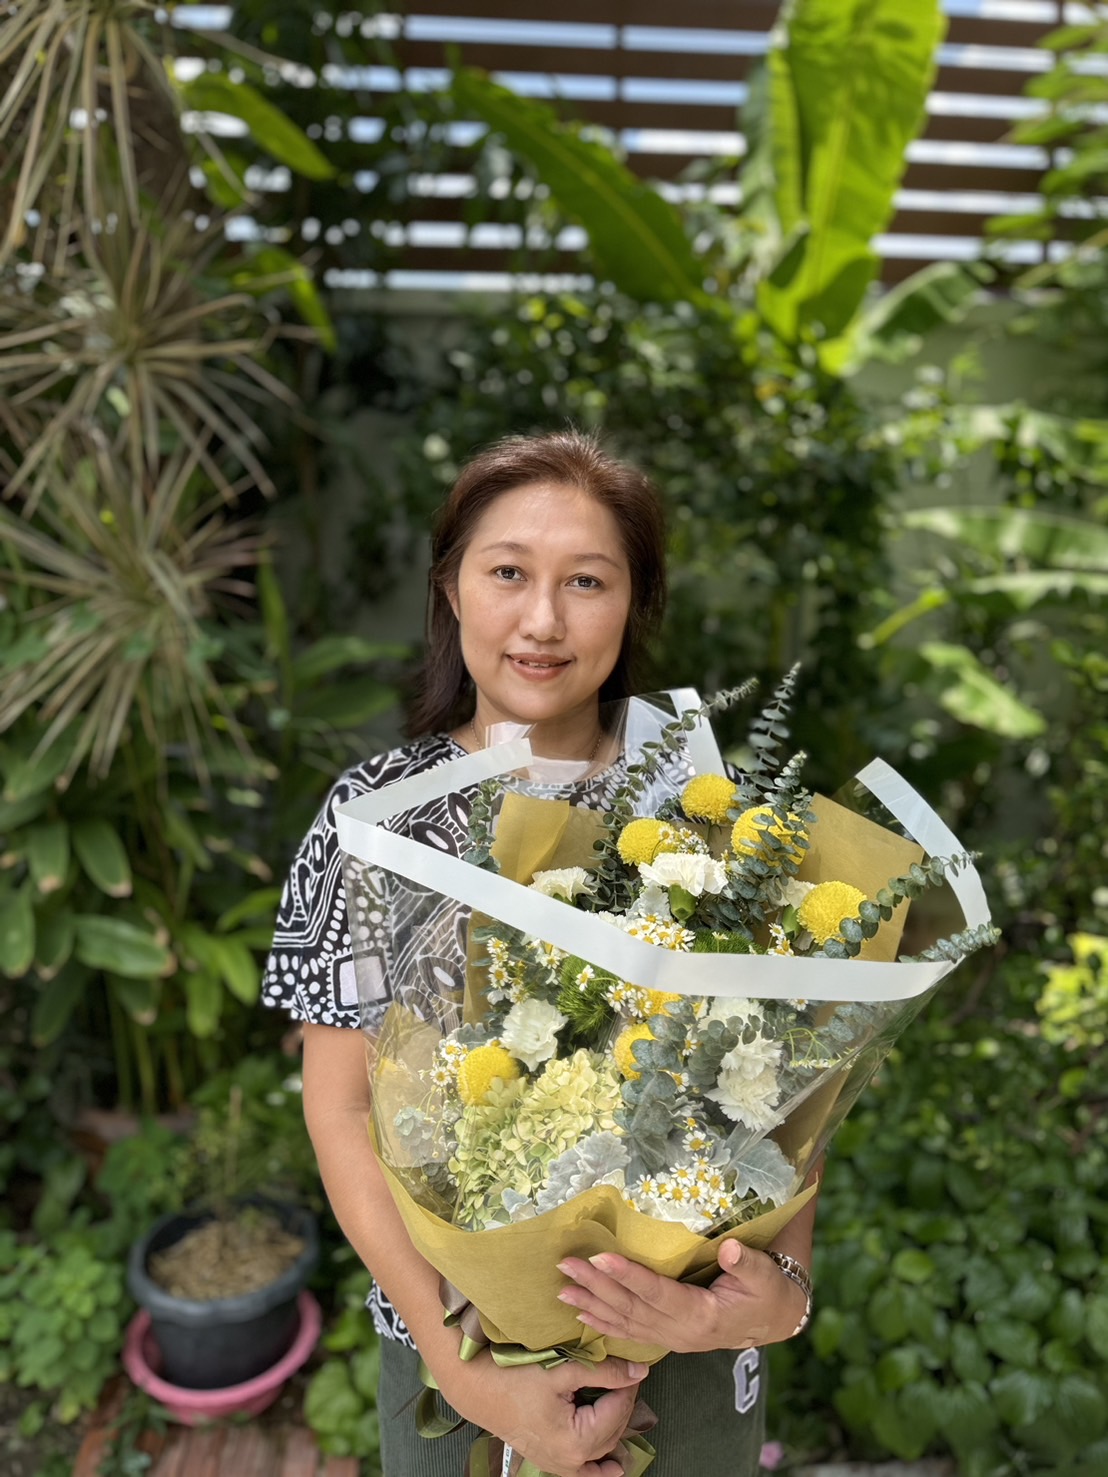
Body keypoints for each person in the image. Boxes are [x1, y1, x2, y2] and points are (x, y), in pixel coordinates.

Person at [263, 430, 820, 1477]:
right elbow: (339, 1110)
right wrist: (465, 1370)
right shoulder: (375, 821)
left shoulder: (709, 816)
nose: (544, 620)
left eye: (587, 581)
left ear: (634, 602)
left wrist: (773, 1298)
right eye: (509, 572)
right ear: (451, 588)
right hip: (459, 1347)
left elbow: (792, 1080)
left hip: (685, 1344)